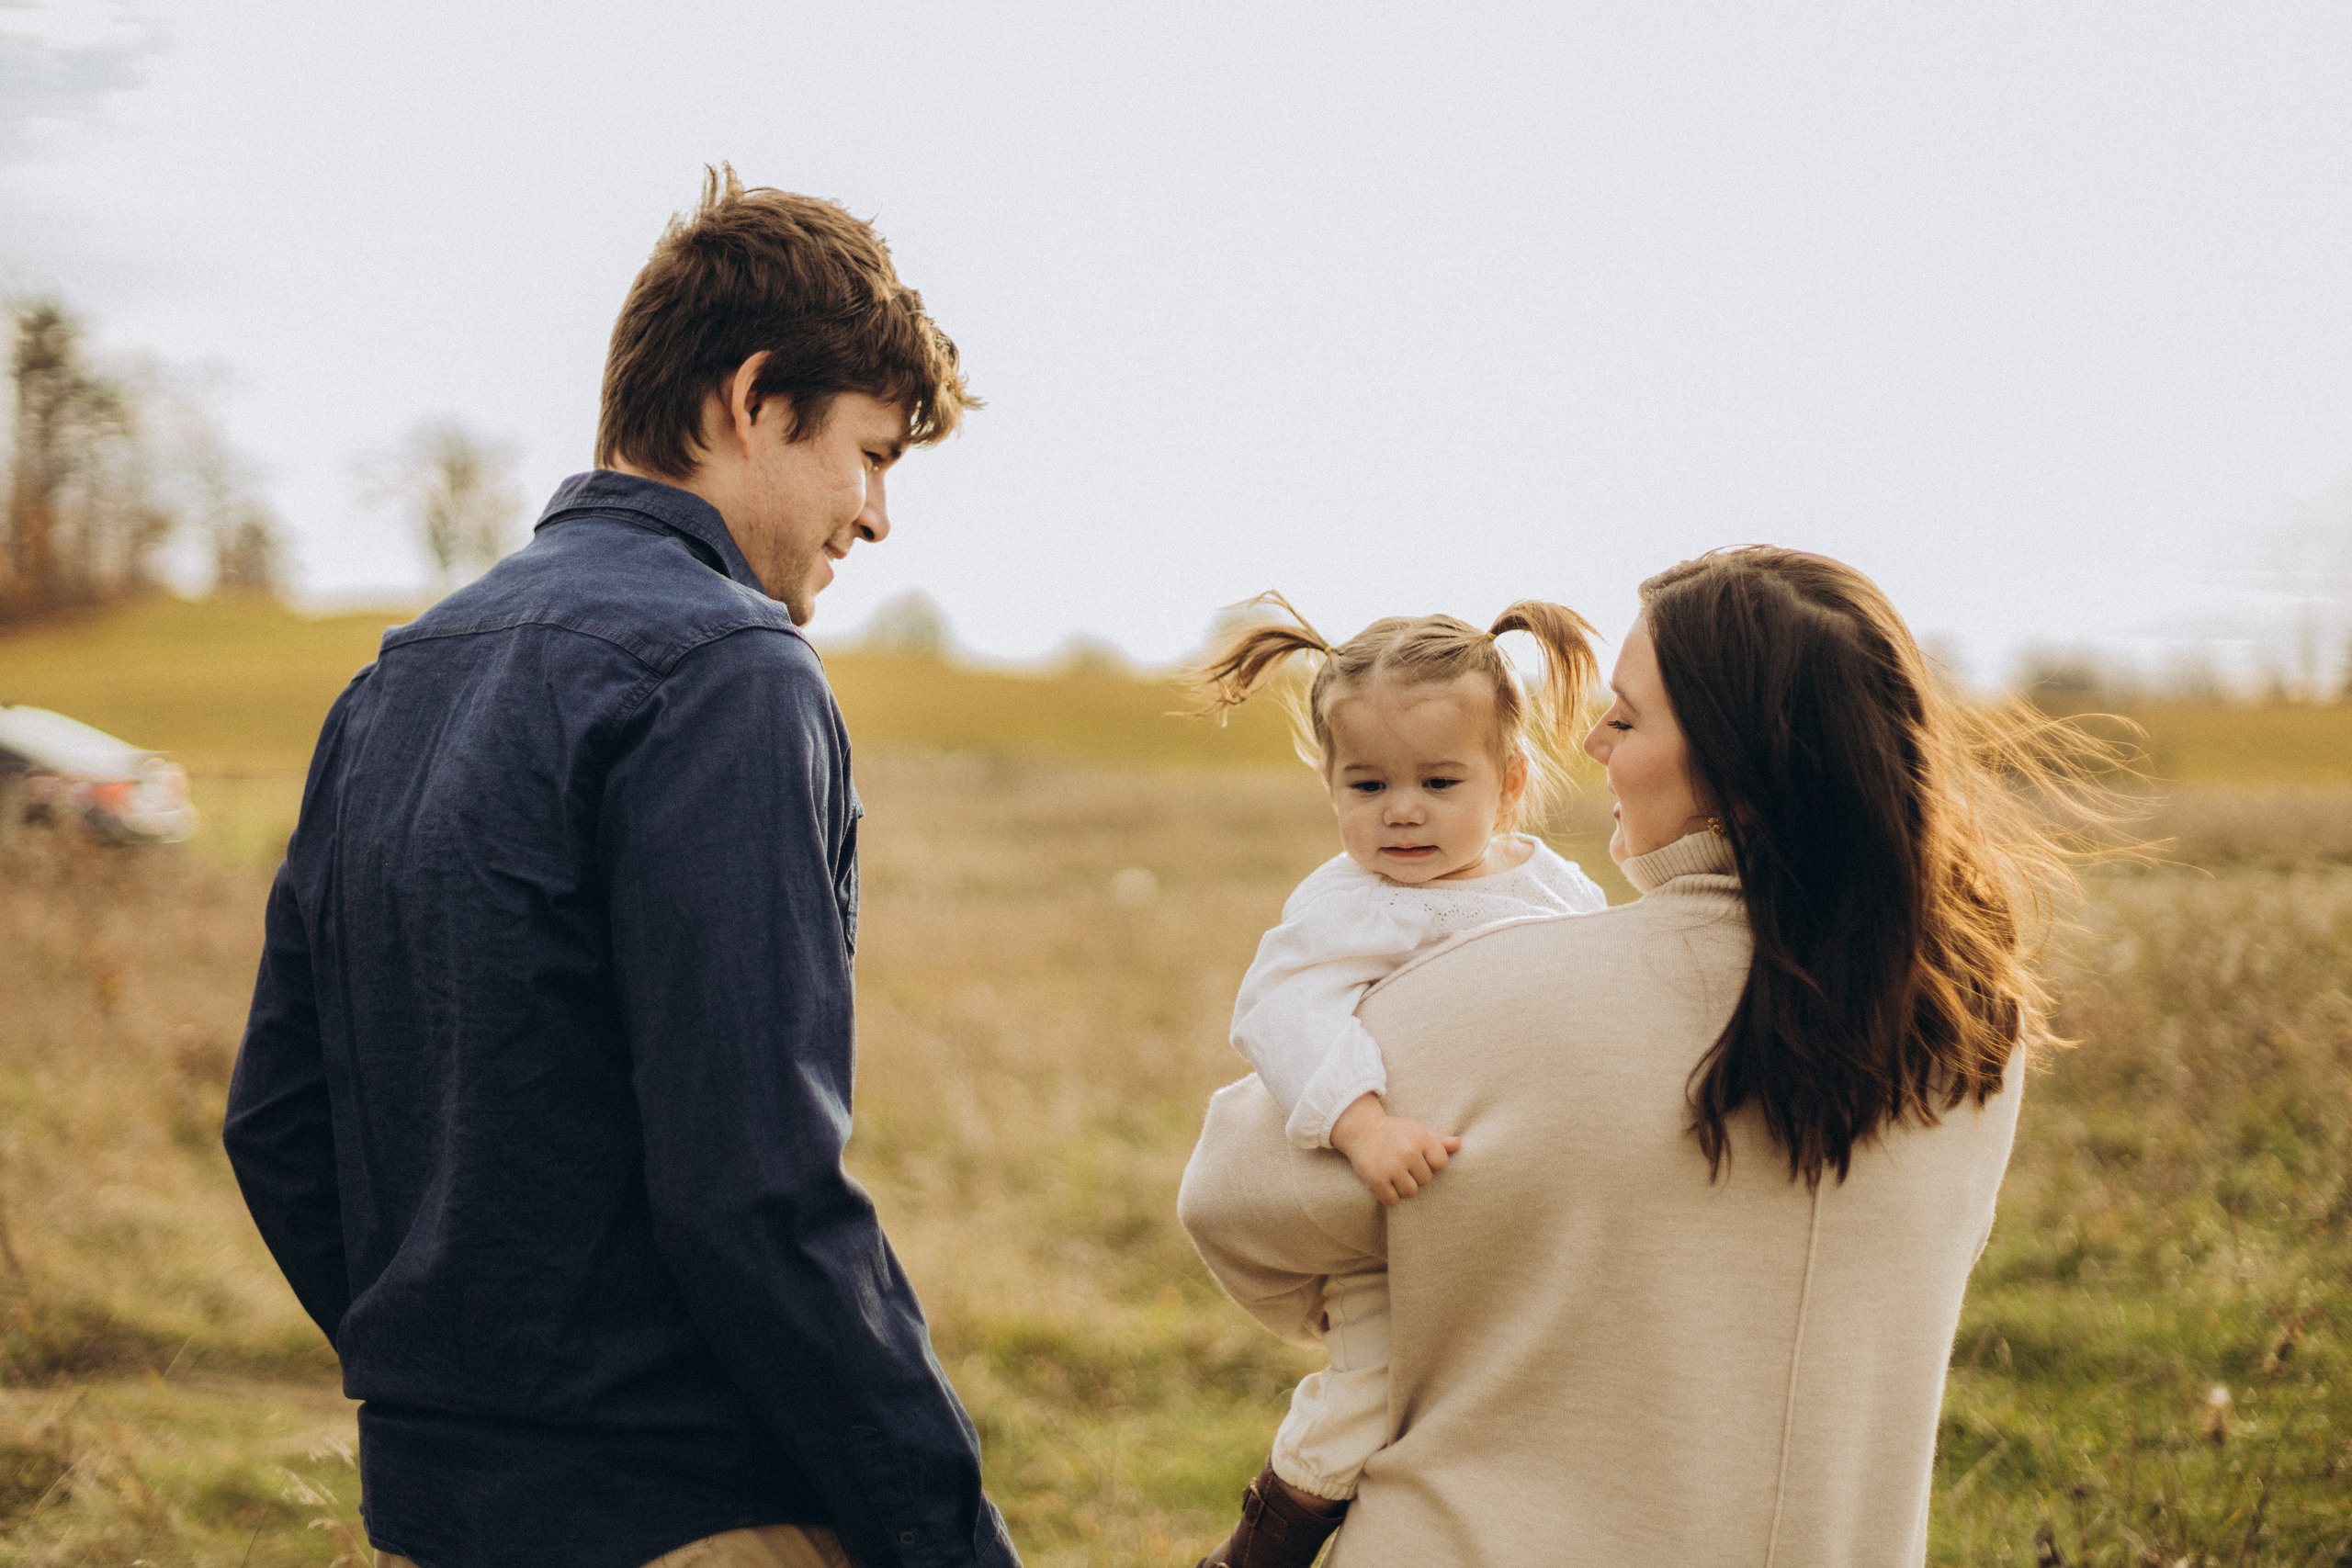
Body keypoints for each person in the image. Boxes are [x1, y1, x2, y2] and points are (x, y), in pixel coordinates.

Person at [223, 167, 1019, 1568]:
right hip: (686, 1515)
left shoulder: (397, 678)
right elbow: (756, 1187)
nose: (878, 515)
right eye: (873, 453)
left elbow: (281, 1120)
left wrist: (460, 1396)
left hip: (435, 1511)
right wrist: (948, 1537)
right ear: (755, 398)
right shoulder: (733, 673)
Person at [1181, 547, 2094, 1565]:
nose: (1593, 739)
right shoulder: (1970, 1024)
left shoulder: (1486, 998)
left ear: (1737, 761)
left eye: (1627, 713)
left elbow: (1232, 1199)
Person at [1180, 596, 1608, 1566]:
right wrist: (1362, 1124)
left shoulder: (1553, 887)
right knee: (1367, 1394)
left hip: (1520, 1201)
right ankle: (1270, 1538)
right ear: (1330, 788)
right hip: (1392, 1216)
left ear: (1510, 782)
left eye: (1437, 781)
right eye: (1368, 785)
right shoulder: (1350, 906)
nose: (1401, 809)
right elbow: (1281, 1013)